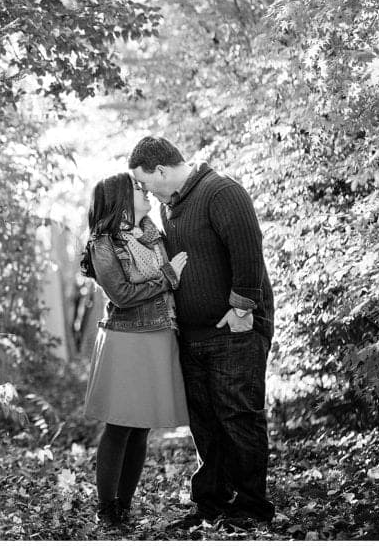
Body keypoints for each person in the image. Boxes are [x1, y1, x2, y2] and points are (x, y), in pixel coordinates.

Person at [128, 136, 276, 528]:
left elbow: (247, 250)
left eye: (144, 182)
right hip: (193, 335)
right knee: (205, 423)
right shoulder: (170, 208)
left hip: (234, 330)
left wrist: (242, 306)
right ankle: (211, 504)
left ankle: (251, 507)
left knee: (238, 417)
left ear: (161, 170)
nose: (144, 191)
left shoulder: (220, 191)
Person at [80, 172, 189, 528]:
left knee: (141, 427)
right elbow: (122, 296)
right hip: (126, 337)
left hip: (159, 332)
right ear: (119, 200)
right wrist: (168, 277)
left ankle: (124, 505)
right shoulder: (103, 244)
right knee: (120, 426)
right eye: (137, 189)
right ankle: (106, 507)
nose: (144, 191)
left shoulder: (152, 233)